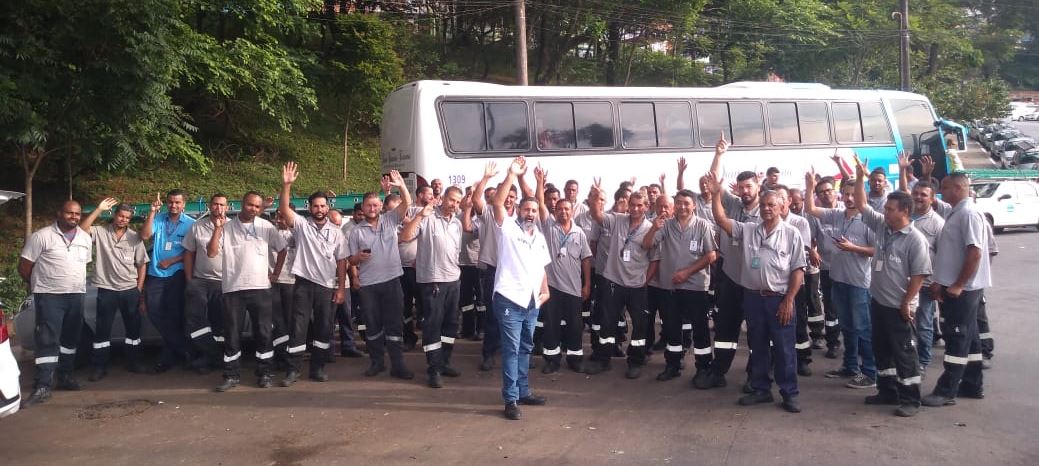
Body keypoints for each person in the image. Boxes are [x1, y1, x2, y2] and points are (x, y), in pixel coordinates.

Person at [706, 172, 806, 413]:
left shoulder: (792, 234)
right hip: (752, 298)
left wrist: (789, 300)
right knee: (758, 344)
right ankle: (761, 389)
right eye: (763, 205)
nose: (766, 209)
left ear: (782, 206)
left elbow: (798, 271)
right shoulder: (749, 229)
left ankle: (789, 392)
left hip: (779, 299)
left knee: (783, 348)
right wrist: (716, 193)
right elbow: (720, 218)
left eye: (772, 204)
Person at [850, 158, 931, 417]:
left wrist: (907, 303)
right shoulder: (884, 227)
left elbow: (919, 275)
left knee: (905, 354)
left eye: (890, 208)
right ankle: (887, 391)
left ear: (904, 211)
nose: (885, 210)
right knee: (882, 350)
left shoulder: (915, 240)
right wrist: (860, 176)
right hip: (879, 303)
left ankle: (910, 399)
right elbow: (862, 205)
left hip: (899, 307)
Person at [490, 156, 552, 420]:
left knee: (526, 348)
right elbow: (496, 202)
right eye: (527, 210)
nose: (531, 214)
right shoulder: (508, 230)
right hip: (509, 300)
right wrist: (511, 174)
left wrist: (545, 290)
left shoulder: (538, 237)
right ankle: (511, 399)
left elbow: (541, 268)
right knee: (512, 350)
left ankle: (524, 391)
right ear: (519, 211)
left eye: (534, 211)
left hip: (532, 302)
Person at [922, 172, 991, 407]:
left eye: (945, 187)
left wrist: (959, 284)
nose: (942, 191)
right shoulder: (957, 212)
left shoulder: (969, 214)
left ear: (960, 188)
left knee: (957, 337)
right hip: (956, 287)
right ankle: (972, 384)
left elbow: (975, 253)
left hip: (963, 289)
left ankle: (946, 390)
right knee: (969, 338)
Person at [805, 169, 878, 390]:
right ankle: (850, 366)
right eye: (845, 194)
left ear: (861, 194)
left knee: (862, 328)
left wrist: (853, 247)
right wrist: (810, 187)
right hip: (838, 279)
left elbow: (877, 250)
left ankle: (870, 372)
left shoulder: (869, 219)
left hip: (859, 283)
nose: (848, 198)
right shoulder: (837, 215)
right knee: (847, 326)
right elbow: (810, 209)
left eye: (853, 194)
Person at [279, 162, 350, 386]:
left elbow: (341, 260)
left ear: (327, 208)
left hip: (327, 286)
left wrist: (340, 288)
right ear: (309, 208)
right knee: (298, 328)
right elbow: (284, 211)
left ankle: (317, 368)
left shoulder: (337, 232)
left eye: (323, 206)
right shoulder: (301, 226)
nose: (319, 209)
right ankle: (293, 370)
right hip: (303, 284)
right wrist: (286, 185)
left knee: (324, 328)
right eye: (315, 206)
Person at [208, 192, 287, 391]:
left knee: (263, 332)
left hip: (260, 288)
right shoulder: (226, 227)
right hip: (233, 289)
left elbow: (283, 249)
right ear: (242, 204)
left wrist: (275, 274)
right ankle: (232, 375)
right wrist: (217, 230)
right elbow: (211, 252)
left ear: (261, 209)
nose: (253, 209)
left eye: (257, 206)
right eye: (250, 204)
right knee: (232, 334)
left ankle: (265, 373)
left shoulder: (266, 226)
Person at [702, 134, 761, 390]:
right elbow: (714, 183)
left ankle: (754, 375)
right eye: (742, 187)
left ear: (757, 184)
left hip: (754, 281)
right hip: (729, 276)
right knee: (725, 328)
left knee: (757, 332)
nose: (745, 191)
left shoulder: (766, 212)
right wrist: (719, 154)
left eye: (749, 186)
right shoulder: (734, 204)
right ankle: (719, 371)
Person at [18, 201, 92, 407]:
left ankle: (66, 377)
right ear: (59, 213)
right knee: (47, 340)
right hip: (50, 297)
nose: (74, 217)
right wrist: (40, 285)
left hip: (76, 295)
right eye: (70, 212)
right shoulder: (41, 236)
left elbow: (83, 264)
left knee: (70, 340)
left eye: (77, 214)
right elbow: (25, 267)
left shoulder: (85, 239)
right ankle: (42, 386)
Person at [643, 189, 718, 385]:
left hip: (695, 287)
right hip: (670, 288)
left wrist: (687, 272)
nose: (682, 206)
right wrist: (653, 227)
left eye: (686, 203)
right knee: (671, 328)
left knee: (700, 330)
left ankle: (703, 368)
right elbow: (647, 244)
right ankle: (673, 365)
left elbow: (711, 255)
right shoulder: (666, 226)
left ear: (694, 205)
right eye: (679, 203)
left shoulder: (703, 226)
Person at [347, 171, 416, 380]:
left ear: (381, 207)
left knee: (395, 324)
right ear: (363, 208)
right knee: (373, 325)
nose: (372, 208)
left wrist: (401, 185)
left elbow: (407, 202)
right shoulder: (355, 232)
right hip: (369, 285)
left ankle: (398, 364)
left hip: (392, 281)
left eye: (376, 205)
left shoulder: (390, 220)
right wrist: (357, 257)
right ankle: (377, 362)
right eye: (368, 205)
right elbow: (350, 260)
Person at [400, 184, 466, 388]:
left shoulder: (457, 223)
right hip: (433, 282)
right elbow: (405, 237)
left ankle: (444, 362)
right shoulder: (427, 217)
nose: (454, 204)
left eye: (457, 201)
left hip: (453, 280)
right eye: (451, 199)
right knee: (432, 326)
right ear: (443, 197)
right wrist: (420, 215)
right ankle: (433, 369)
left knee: (450, 326)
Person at [585, 184, 653, 379]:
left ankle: (635, 361)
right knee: (607, 323)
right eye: (632, 205)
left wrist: (645, 281)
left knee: (639, 325)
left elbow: (655, 260)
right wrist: (596, 197)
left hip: (637, 286)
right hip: (613, 282)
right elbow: (597, 216)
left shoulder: (651, 228)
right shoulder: (617, 220)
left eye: (640, 205)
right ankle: (603, 359)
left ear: (646, 207)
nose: (635, 209)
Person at [469, 163, 531, 371]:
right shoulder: (489, 213)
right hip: (495, 272)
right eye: (507, 196)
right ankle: (488, 354)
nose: (509, 199)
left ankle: (514, 354)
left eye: (513, 197)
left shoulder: (523, 219)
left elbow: (534, 199)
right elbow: (477, 199)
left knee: (518, 315)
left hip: (518, 274)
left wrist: (521, 178)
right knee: (493, 316)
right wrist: (486, 177)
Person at [79, 199, 149, 380]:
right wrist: (99, 209)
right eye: (120, 216)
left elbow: (142, 264)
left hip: (129, 290)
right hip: (106, 289)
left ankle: (134, 362)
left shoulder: (135, 237)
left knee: (133, 331)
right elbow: (82, 229)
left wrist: (138, 289)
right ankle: (99, 367)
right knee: (102, 331)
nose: (123, 220)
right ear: (114, 215)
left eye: (127, 217)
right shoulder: (101, 233)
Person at [534, 165, 592, 374]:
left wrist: (586, 284)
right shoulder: (549, 227)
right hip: (552, 287)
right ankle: (552, 359)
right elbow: (540, 203)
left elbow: (586, 260)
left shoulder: (579, 233)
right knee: (551, 325)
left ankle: (575, 358)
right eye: (560, 209)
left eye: (567, 209)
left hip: (574, 289)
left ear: (572, 211)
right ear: (555, 211)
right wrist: (540, 182)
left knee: (575, 326)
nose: (563, 212)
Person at [140, 189, 196, 372]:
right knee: (154, 311)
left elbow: (192, 252)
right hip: (156, 274)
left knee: (175, 314)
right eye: (171, 202)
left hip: (177, 274)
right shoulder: (159, 218)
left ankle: (168, 356)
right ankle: (184, 349)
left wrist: (173, 260)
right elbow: (145, 236)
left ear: (184, 204)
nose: (174, 205)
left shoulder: (191, 224)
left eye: (177, 202)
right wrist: (152, 211)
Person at [181, 194, 230, 373]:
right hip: (200, 280)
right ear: (210, 206)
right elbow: (188, 253)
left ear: (228, 207)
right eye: (215, 204)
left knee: (220, 322)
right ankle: (213, 356)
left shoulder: (233, 227)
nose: (218, 207)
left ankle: (211, 358)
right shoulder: (197, 226)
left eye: (222, 205)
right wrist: (189, 279)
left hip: (224, 282)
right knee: (194, 318)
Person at [789, 188, 827, 352]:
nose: (795, 207)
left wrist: (812, 251)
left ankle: (817, 334)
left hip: (810, 266)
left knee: (812, 300)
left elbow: (813, 239)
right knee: (799, 304)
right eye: (793, 204)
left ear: (802, 201)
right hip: (793, 268)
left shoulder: (809, 217)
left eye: (797, 204)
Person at [400, 186, 435, 351]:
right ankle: (409, 337)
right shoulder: (408, 210)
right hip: (401, 268)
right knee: (404, 306)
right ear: (420, 195)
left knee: (425, 306)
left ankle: (428, 340)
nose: (432, 196)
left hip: (420, 269)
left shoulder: (433, 214)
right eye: (429, 193)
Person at [270, 207, 297, 370]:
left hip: (292, 282)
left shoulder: (298, 234)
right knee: (276, 321)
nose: (279, 220)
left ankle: (290, 356)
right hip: (272, 282)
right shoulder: (270, 232)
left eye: (283, 217)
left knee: (290, 320)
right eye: (277, 216)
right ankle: (279, 355)